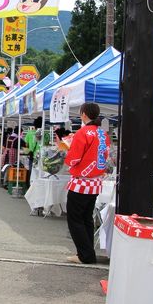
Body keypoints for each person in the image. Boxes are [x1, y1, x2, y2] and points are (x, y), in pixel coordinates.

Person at [64, 103, 110, 265]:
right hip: (96, 181)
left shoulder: (83, 133)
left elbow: (74, 158)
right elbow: (105, 155)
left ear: (83, 114)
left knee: (75, 218)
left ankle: (85, 255)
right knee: (86, 218)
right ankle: (87, 252)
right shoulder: (103, 134)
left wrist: (68, 157)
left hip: (81, 181)